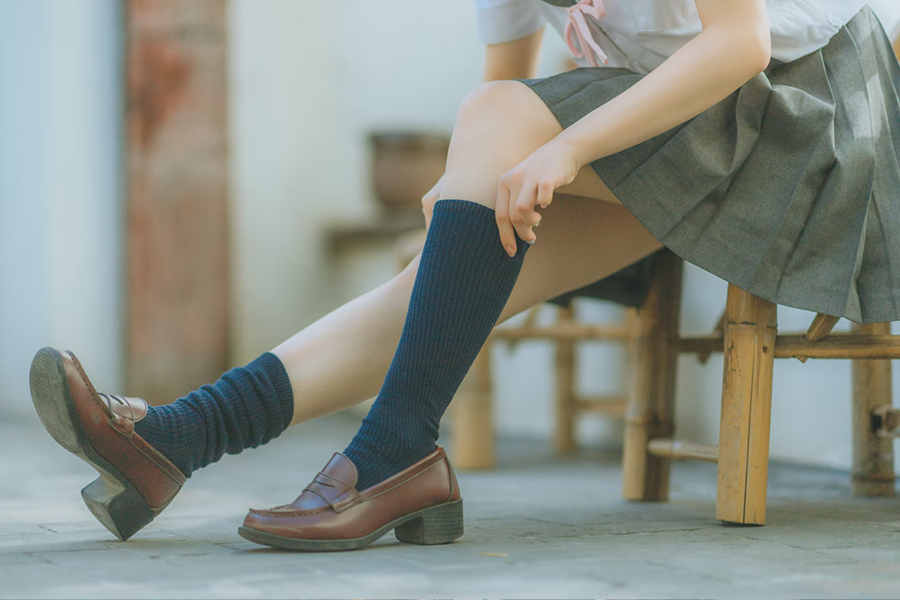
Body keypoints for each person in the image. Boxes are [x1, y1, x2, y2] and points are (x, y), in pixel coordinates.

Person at [29, 0, 900, 551]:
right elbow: (502, 91)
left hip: (807, 125)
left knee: (491, 155)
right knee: (442, 283)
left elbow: (740, 44)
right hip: (688, 131)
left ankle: (395, 452)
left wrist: (563, 148)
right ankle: (181, 440)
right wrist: (466, 193)